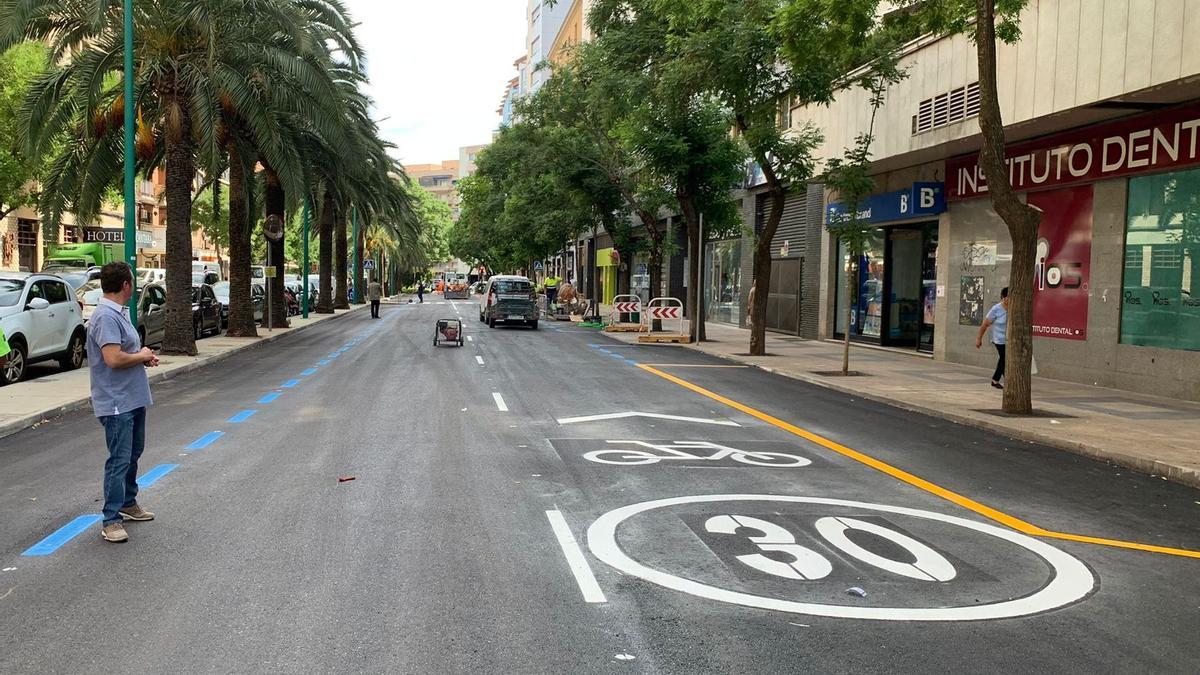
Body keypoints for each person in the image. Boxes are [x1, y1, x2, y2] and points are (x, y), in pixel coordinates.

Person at [88, 262, 159, 543]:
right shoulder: (106, 316)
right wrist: (140, 356)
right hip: (116, 402)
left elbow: (125, 352)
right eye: (132, 281)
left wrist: (142, 355)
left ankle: (128, 503)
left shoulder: (119, 313)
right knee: (119, 459)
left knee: (133, 453)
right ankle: (111, 518)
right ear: (126, 285)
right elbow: (113, 359)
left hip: (132, 397)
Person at [976, 286, 1009, 389]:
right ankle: (1008, 381)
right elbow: (985, 324)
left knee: (1003, 359)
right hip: (998, 339)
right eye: (1009, 297)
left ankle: (995, 380)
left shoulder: (1014, 307)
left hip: (1009, 339)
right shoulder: (996, 309)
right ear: (1003, 297)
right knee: (1005, 358)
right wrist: (979, 339)